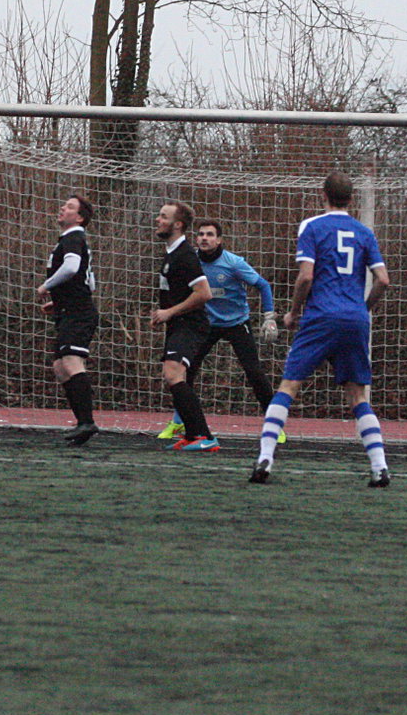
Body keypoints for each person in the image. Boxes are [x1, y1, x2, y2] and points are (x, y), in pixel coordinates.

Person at [251, 172, 392, 487]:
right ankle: (380, 466)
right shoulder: (364, 232)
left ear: (323, 195)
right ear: (351, 199)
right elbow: (383, 279)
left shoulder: (312, 227)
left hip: (320, 317)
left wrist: (293, 312)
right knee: (357, 395)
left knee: (289, 386)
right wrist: (363, 309)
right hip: (354, 320)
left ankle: (265, 457)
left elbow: (306, 276)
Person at [156, 218, 277, 438]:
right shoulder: (190, 261)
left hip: (236, 323)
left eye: (210, 234)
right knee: (184, 372)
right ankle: (179, 421)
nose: (204, 238)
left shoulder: (233, 263)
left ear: (219, 240)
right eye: (201, 234)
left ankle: (274, 425)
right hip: (206, 324)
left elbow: (263, 285)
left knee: (254, 372)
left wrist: (269, 317)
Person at [151, 201, 218, 451]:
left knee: (173, 373)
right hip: (178, 324)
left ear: (178, 224)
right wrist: (163, 314)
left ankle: (204, 436)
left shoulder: (186, 255)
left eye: (163, 216)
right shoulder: (171, 253)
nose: (158, 220)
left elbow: (204, 293)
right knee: (175, 376)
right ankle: (192, 435)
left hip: (191, 325)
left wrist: (169, 312)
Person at [37, 194, 100, 445]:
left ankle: (87, 422)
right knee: (60, 367)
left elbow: (72, 267)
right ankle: (82, 423)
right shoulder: (71, 240)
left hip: (79, 313)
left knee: (71, 362)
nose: (63, 208)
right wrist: (60, 300)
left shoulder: (74, 237)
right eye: (64, 205)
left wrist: (47, 286)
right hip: (69, 310)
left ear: (80, 218)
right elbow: (89, 281)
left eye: (70, 207)